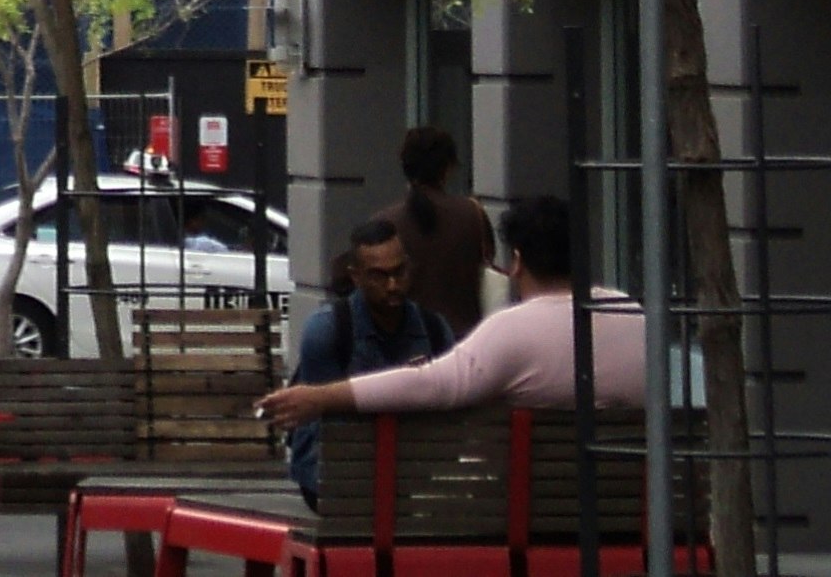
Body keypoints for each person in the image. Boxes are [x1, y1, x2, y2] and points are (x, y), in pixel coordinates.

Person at [257, 198, 641, 427]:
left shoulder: (513, 331)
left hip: (533, 514)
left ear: (518, 261)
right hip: (635, 509)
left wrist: (321, 399)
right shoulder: (631, 315)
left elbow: (432, 384)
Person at [281, 217, 448, 502]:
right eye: (379, 276)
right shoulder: (328, 330)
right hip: (337, 479)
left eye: (399, 271)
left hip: (410, 475)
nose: (393, 285)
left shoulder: (433, 329)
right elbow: (325, 428)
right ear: (356, 276)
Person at [390, 127, 499, 343]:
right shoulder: (473, 214)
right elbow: (487, 262)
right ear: (448, 168)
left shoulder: (386, 222)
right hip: (467, 342)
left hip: (406, 347)